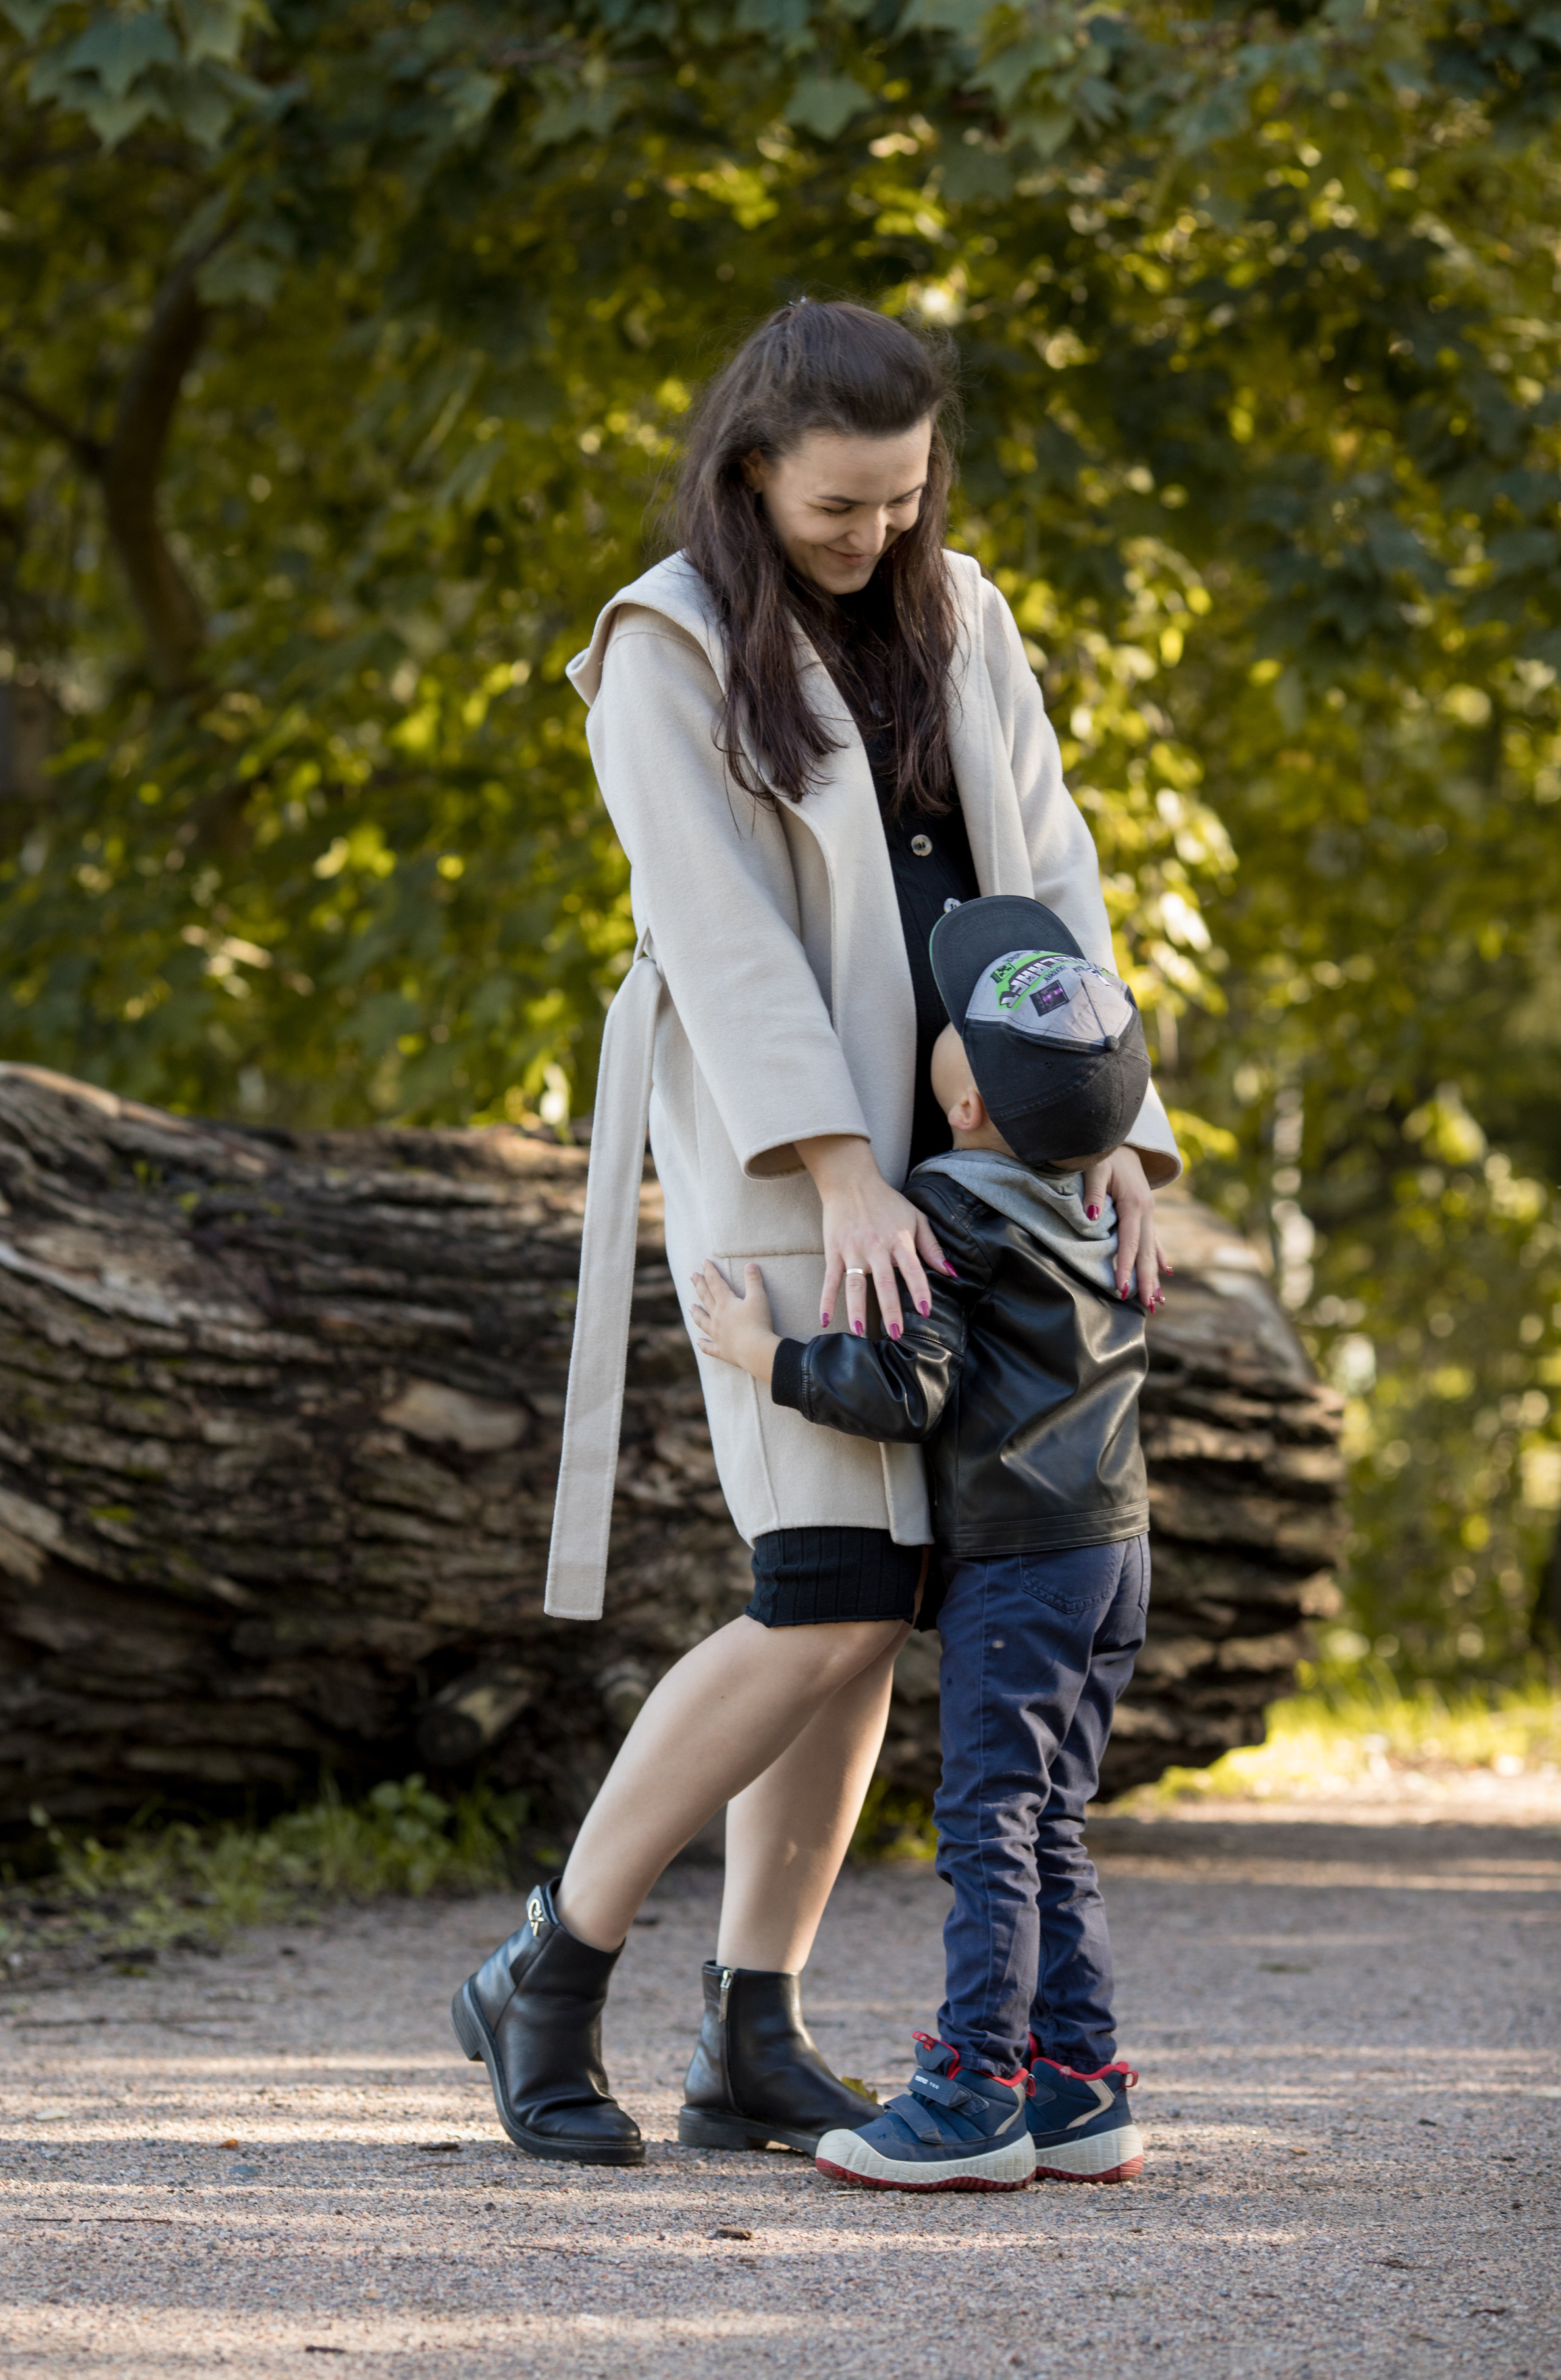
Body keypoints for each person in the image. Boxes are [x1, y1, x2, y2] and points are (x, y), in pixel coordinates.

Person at [448, 301, 1178, 2168]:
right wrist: (840, 1165)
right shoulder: (664, 647)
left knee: (891, 1601)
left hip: (982, 1172)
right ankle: (552, 1963)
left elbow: (1061, 869)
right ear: (754, 465)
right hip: (797, 1169)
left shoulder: (964, 613)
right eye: (843, 507)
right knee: (824, 1591)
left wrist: (1108, 1134)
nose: (876, 538)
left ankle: (752, 2026)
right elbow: (713, 925)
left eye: (905, 501)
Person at [692, 892, 1152, 2191]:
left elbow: (909, 1389)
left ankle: (969, 2099)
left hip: (1018, 1562)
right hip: (1113, 1551)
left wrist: (767, 1355)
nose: (931, 1026)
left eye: (946, 1025)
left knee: (988, 1821)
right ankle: (1076, 2085)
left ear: (961, 1106)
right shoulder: (1092, 1201)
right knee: (1050, 1816)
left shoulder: (952, 1206)